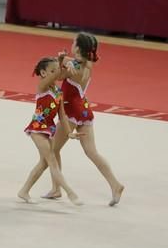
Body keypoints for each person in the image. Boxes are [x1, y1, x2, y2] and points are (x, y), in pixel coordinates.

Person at [43, 33, 125, 206]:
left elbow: (57, 77)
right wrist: (64, 59)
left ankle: (57, 188)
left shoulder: (75, 67)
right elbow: (71, 63)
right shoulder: (88, 64)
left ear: (78, 48)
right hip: (84, 110)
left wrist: (62, 60)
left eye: (73, 43)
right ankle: (115, 184)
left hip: (72, 111)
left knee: (52, 149)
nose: (71, 45)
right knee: (91, 152)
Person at [17, 55, 83, 206]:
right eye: (52, 70)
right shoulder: (42, 86)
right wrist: (61, 63)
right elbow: (56, 75)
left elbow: (63, 115)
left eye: (57, 70)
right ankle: (70, 193)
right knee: (52, 160)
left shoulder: (58, 92)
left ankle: (24, 190)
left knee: (44, 163)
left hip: (49, 128)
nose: (57, 72)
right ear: (43, 73)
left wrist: (69, 133)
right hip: (37, 128)